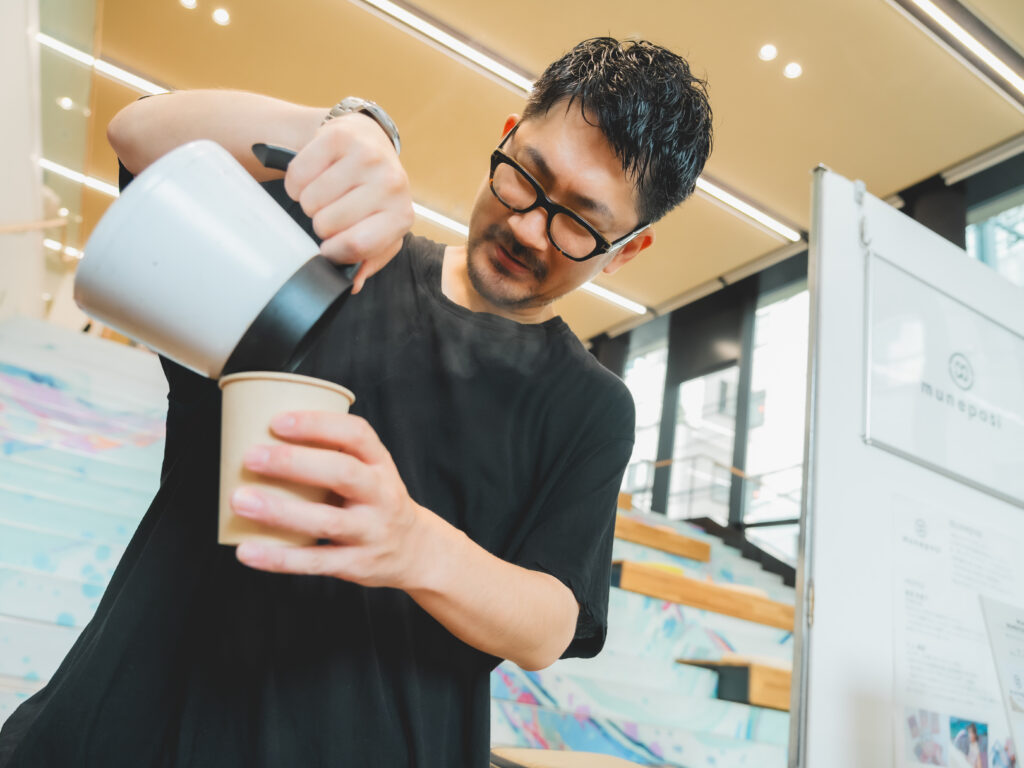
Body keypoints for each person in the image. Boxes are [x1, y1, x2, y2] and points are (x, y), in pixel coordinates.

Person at [0, 37, 712, 767]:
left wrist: (412, 543)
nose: (529, 227)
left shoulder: (590, 406)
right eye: (525, 177)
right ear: (506, 136)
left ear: (627, 250)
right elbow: (137, 136)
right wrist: (335, 125)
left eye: (579, 223)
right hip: (134, 721)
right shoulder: (338, 252)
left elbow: (550, 625)